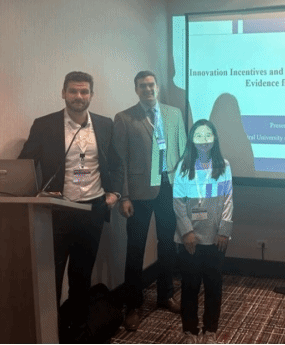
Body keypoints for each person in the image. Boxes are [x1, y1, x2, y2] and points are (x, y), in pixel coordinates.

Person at [18, 71, 123, 338]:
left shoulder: (105, 124)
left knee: (81, 275)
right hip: (58, 211)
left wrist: (114, 193)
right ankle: (50, 334)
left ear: (91, 95)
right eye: (73, 91)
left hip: (93, 210)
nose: (79, 96)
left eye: (84, 91)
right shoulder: (44, 125)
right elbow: (25, 165)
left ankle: (78, 332)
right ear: (63, 93)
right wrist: (33, 193)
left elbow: (115, 163)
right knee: (50, 277)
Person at [114, 70, 187, 331]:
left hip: (169, 187)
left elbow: (182, 150)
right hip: (139, 192)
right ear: (136, 90)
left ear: (157, 87)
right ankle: (133, 305)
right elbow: (120, 161)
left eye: (151, 85)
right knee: (135, 248)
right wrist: (124, 196)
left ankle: (166, 295)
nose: (148, 89)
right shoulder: (124, 118)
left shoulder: (174, 114)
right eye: (142, 86)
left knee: (167, 244)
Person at [173, 120, 233, 344]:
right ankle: (189, 331)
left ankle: (210, 330)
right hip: (190, 238)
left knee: (213, 287)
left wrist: (224, 230)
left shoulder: (223, 166)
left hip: (215, 237)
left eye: (208, 135)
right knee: (189, 286)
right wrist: (186, 232)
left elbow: (228, 200)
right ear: (192, 139)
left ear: (215, 138)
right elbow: (178, 202)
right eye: (199, 135)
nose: (204, 140)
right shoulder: (183, 166)